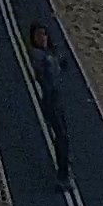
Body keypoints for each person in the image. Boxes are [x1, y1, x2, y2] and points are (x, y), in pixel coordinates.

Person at [22, 22, 75, 179]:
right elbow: (50, 71)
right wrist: (56, 58)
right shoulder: (39, 55)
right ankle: (63, 171)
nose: (42, 38)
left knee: (63, 133)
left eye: (44, 34)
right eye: (38, 35)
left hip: (56, 97)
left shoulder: (48, 54)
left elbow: (63, 66)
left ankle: (65, 163)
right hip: (49, 99)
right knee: (61, 135)